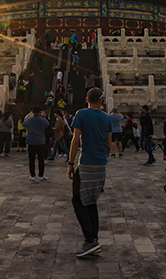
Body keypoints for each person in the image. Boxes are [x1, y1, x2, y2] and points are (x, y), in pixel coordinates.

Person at [67, 87, 113, 257]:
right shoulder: (107, 118)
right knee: (91, 202)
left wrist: (71, 163)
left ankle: (90, 240)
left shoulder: (81, 114)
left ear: (87, 100)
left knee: (78, 201)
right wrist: (103, 158)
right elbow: (109, 144)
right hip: (101, 165)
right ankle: (93, 240)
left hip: (86, 164)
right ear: (101, 101)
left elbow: (75, 140)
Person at [24, 107, 50, 181]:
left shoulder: (30, 120)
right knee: (41, 159)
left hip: (31, 141)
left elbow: (24, 124)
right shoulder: (42, 120)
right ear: (39, 112)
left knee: (31, 160)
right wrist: (43, 116)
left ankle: (32, 175)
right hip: (40, 141)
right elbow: (47, 124)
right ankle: (41, 175)